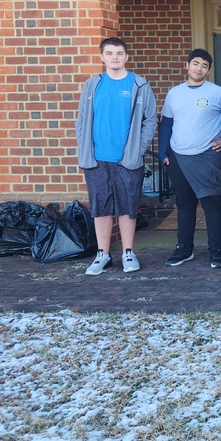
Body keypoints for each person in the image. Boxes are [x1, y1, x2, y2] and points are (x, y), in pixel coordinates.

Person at [76, 37, 157, 275]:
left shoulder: (139, 85)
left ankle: (128, 252)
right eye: (109, 53)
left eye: (119, 53)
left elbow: (150, 120)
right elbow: (81, 120)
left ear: (126, 57)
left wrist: (138, 148)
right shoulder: (92, 85)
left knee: (128, 207)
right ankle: (102, 254)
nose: (115, 57)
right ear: (102, 57)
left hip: (128, 160)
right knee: (100, 207)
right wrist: (84, 147)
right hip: (97, 158)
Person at [157, 48, 221, 269]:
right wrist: (163, 153)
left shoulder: (219, 93)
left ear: (208, 71)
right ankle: (184, 249)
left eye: (204, 66)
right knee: (185, 205)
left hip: (208, 157)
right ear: (188, 66)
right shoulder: (174, 93)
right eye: (196, 63)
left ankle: (217, 251)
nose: (199, 68)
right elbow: (167, 123)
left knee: (213, 205)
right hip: (178, 158)